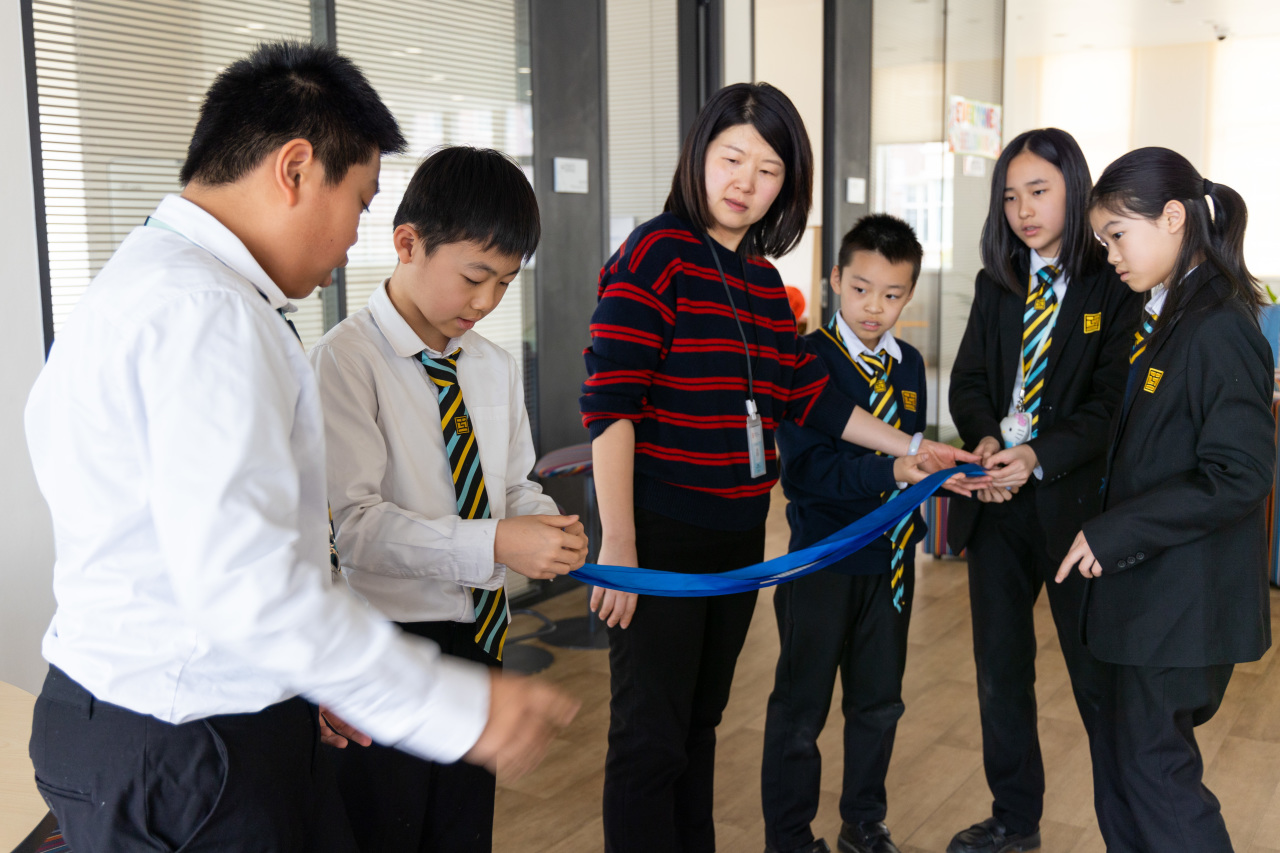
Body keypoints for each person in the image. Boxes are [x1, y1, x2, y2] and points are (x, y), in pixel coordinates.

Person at [24, 42, 576, 853]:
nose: (353, 238)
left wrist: (308, 677)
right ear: (294, 169)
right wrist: (456, 706)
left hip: (175, 715)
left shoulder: (153, 282)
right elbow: (247, 578)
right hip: (187, 741)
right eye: (358, 202)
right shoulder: (207, 314)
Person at [579, 81, 984, 853]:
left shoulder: (765, 284)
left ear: (787, 185)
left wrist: (912, 448)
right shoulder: (654, 253)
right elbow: (610, 402)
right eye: (732, 158)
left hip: (736, 535)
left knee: (699, 726)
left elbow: (810, 396)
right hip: (658, 533)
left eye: (768, 170)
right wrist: (619, 543)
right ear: (700, 155)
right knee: (648, 736)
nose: (746, 183)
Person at [310, 145, 588, 853]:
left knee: (461, 829)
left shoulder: (493, 365)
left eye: (505, 282)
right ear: (408, 243)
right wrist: (497, 541)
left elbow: (514, 483)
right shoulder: (345, 360)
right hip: (388, 644)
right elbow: (358, 527)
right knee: (386, 827)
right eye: (474, 277)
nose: (487, 302)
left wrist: (543, 527)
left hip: (480, 637)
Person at [1058, 147, 1273, 853]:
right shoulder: (1171, 314)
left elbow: (1240, 473)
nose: (1111, 254)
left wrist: (1116, 531)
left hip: (1179, 603)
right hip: (1148, 597)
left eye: (1118, 234)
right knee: (1124, 770)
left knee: (1155, 777)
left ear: (1173, 217)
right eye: (1103, 240)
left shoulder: (1220, 326)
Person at [945, 128, 1142, 853]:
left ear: (1074, 191)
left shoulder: (1112, 282)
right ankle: (1014, 819)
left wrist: (1036, 455)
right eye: (1010, 196)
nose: (1023, 210)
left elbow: (1112, 402)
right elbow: (969, 381)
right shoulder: (997, 282)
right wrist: (986, 442)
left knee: (1095, 679)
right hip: (997, 503)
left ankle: (1131, 828)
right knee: (1000, 671)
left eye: (1038, 191)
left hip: (1073, 510)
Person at [761, 215, 927, 853]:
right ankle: (789, 837)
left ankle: (864, 822)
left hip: (891, 566)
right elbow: (806, 474)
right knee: (800, 710)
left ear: (908, 295)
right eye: (860, 289)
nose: (873, 307)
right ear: (835, 279)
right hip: (821, 564)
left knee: (879, 703)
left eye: (891, 294)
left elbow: (917, 462)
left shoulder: (909, 366)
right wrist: (891, 470)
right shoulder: (807, 361)